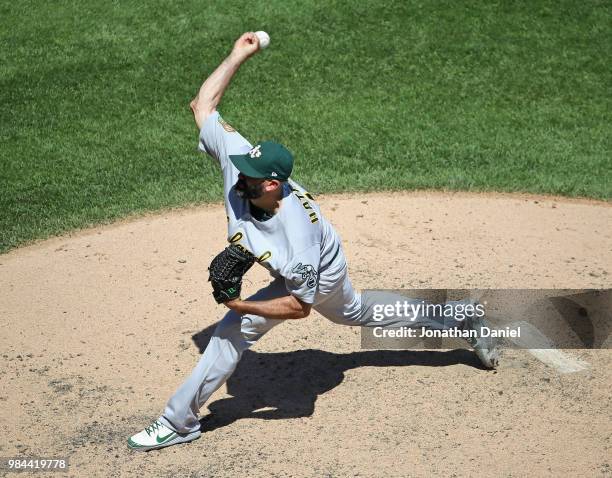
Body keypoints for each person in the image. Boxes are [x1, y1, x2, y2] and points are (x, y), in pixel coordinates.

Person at [127, 32, 499, 452]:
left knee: (238, 328)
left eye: (248, 174)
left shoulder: (296, 235)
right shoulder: (241, 165)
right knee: (355, 313)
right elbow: (203, 105)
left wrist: (239, 305)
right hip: (292, 264)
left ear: (272, 183)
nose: (236, 175)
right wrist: (237, 55)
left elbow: (298, 307)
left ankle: (177, 423)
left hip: (321, 271)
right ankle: (459, 317)